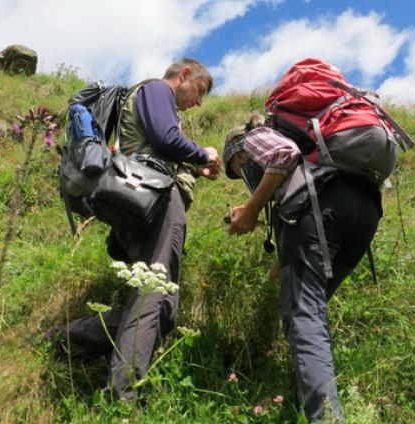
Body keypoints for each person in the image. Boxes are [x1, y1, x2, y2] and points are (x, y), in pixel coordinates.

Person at [47, 58, 221, 402]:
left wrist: (195, 168)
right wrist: (203, 153)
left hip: (137, 201)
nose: (199, 102)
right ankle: (122, 397)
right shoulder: (157, 89)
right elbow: (164, 136)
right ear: (184, 75)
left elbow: (154, 145)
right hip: (154, 198)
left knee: (163, 306)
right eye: (199, 91)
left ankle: (67, 341)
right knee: (154, 295)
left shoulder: (149, 98)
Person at [223, 118, 382, 422]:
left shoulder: (254, 137)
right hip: (364, 211)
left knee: (303, 316)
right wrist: (279, 267)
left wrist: (253, 208)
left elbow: (283, 154)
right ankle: (312, 398)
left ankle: (325, 418)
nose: (244, 176)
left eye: (238, 170)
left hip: (322, 208)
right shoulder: (315, 164)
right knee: (311, 311)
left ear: (239, 154)